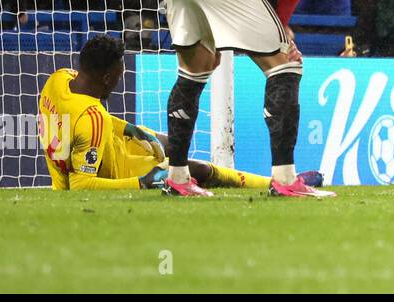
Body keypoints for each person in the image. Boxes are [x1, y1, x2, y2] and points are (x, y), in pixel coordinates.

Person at [157, 0, 358, 197]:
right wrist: (283, 24)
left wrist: (218, 42)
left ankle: (178, 177)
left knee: (194, 69)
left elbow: (231, 0)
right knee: (286, 64)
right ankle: (286, 180)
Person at [38, 35, 281, 191]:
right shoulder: (93, 119)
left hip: (110, 143)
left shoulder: (58, 79)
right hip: (117, 169)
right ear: (106, 78)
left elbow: (80, 120)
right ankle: (273, 183)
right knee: (190, 168)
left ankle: (277, 182)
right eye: (118, 76)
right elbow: (81, 185)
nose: (118, 83)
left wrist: (129, 129)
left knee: (172, 144)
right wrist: (142, 183)